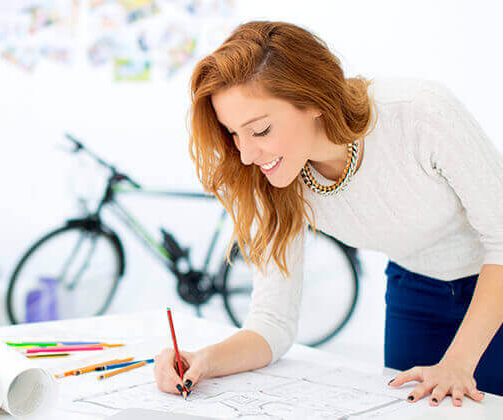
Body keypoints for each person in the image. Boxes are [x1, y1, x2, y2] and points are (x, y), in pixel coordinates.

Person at [153, 20, 503, 405]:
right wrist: (204, 360)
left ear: (315, 99)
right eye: (233, 134)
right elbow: (272, 322)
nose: (247, 154)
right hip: (415, 286)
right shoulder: (270, 180)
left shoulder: (417, 113)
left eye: (261, 130)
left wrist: (458, 362)